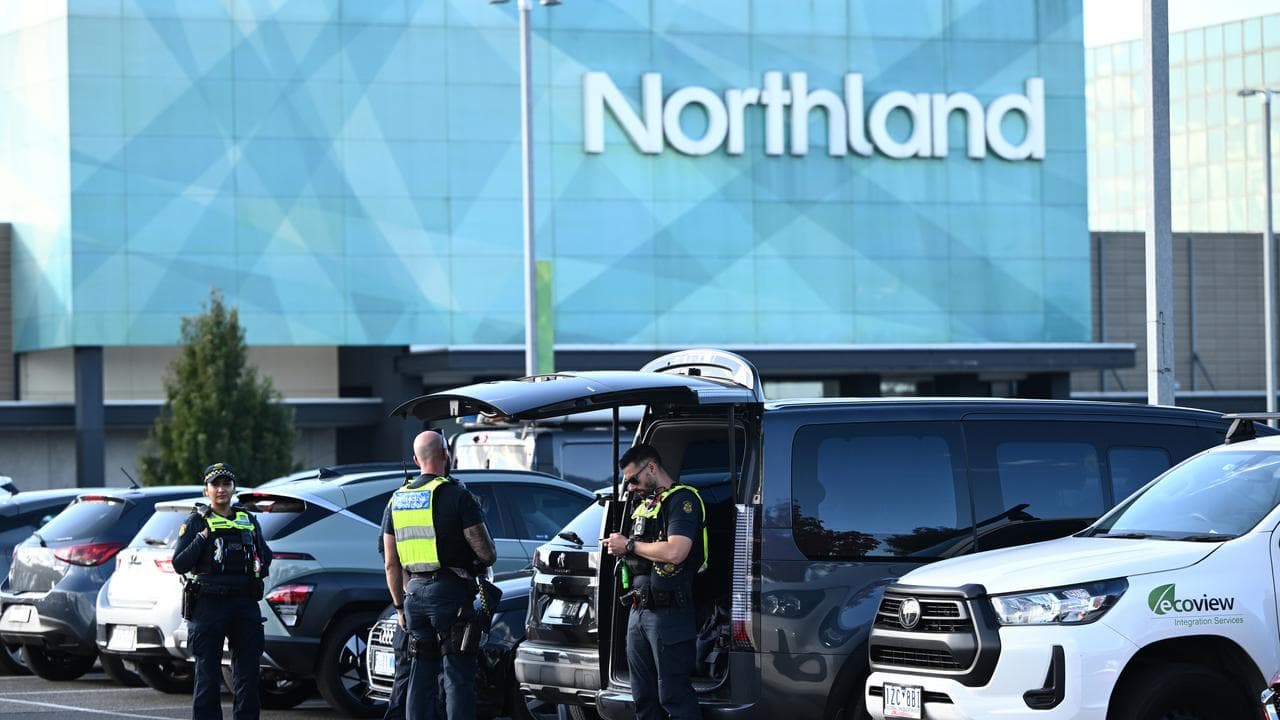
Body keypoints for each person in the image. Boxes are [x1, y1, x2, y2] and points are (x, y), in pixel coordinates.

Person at [382, 430, 496, 720]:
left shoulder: (397, 500)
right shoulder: (457, 495)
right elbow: (486, 553)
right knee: (458, 674)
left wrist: (398, 606)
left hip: (413, 596)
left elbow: (391, 563)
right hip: (450, 595)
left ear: (415, 459)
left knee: (420, 673)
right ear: (446, 454)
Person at [604, 444, 707, 720]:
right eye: (626, 482)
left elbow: (676, 551)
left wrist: (629, 546)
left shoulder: (682, 501)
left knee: (673, 696)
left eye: (633, 479)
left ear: (651, 468)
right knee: (644, 698)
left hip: (669, 613)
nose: (630, 487)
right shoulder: (644, 504)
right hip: (638, 611)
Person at [172, 463, 272, 720]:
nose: (221, 489)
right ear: (206, 490)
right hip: (208, 604)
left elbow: (265, 557)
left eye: (226, 484)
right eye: (215, 484)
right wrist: (201, 539)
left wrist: (256, 572)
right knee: (207, 675)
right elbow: (179, 563)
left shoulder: (247, 520)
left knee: (248, 674)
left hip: (245, 603)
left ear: (233, 487)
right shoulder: (196, 521)